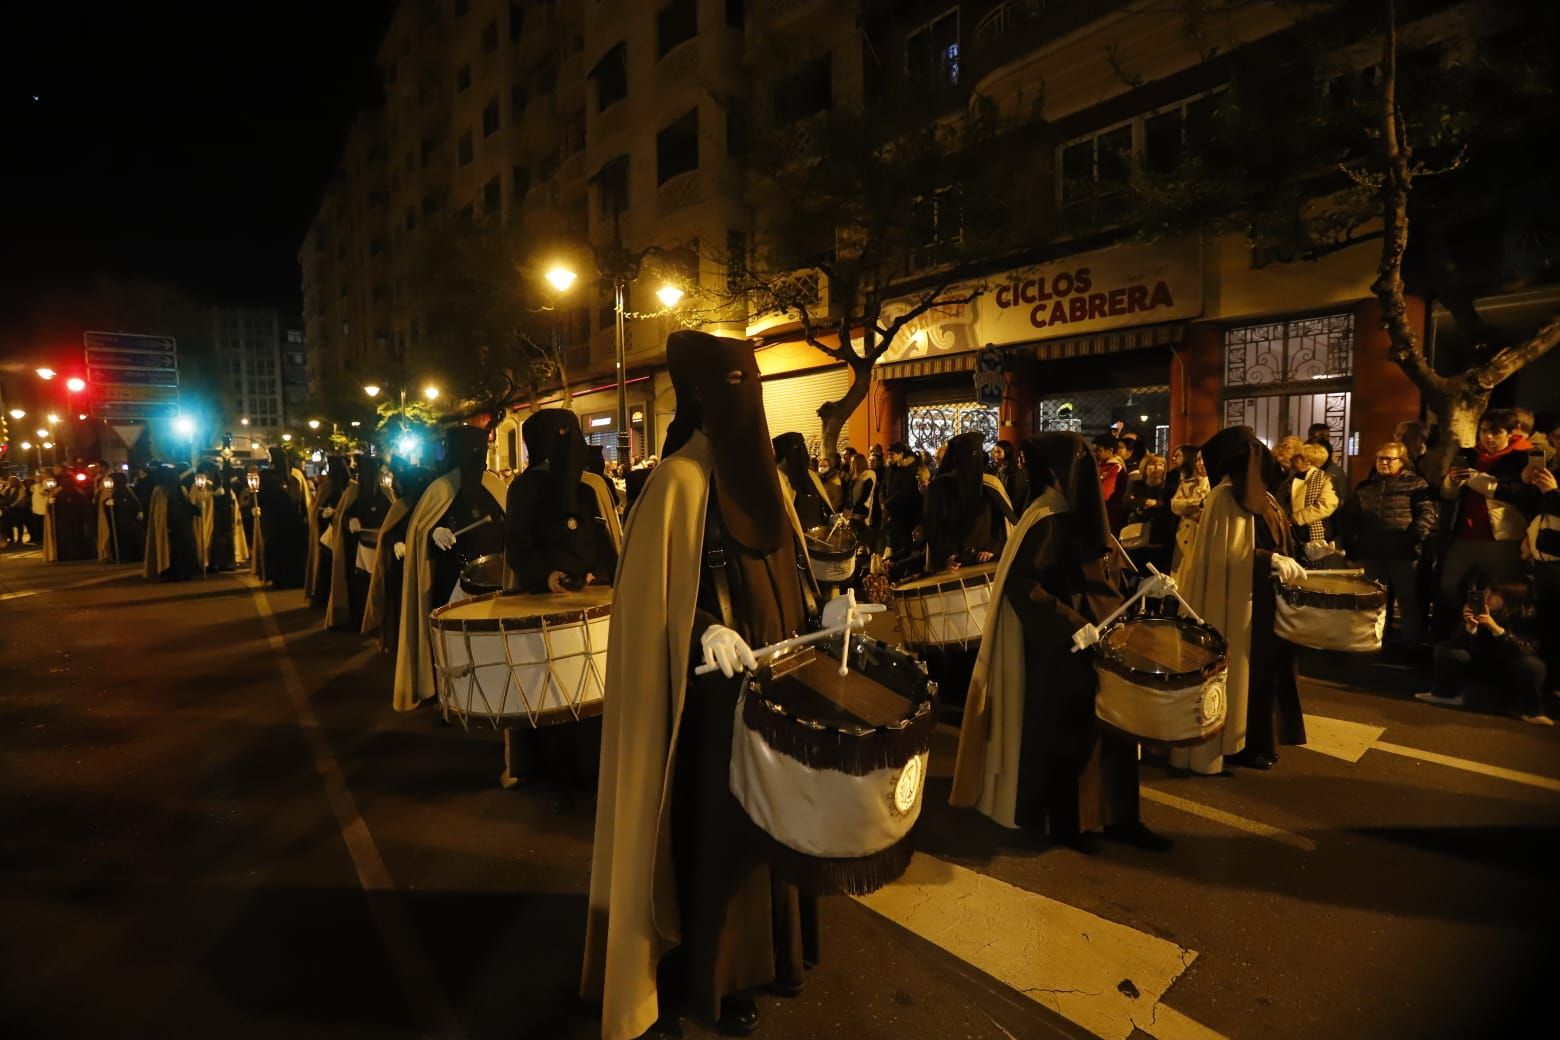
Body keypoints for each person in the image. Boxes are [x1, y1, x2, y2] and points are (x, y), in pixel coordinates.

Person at [586, 330, 864, 1040]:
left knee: (778, 830)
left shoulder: (765, 478)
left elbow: (789, 572)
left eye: (755, 386)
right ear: (703, 396)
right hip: (710, 702)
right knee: (721, 836)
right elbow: (651, 601)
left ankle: (778, 958)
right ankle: (716, 975)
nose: (749, 403)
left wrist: (825, 607)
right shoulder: (677, 481)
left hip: (778, 687)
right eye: (733, 387)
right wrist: (703, 627)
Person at [951, 431, 1166, 852]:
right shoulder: (1046, 517)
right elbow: (1022, 584)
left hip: (1108, 636)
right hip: (1068, 645)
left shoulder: (1082, 513)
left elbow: (1107, 570)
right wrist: (1070, 624)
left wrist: (1142, 585)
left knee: (1119, 730)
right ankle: (1075, 824)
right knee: (1074, 732)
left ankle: (1121, 816)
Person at [500, 409, 623, 798]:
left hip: (587, 605)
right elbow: (518, 544)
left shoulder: (589, 489)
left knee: (589, 689)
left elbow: (604, 540)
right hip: (540, 608)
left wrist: (595, 574)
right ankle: (553, 774)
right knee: (548, 691)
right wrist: (545, 576)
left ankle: (592, 769)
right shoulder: (524, 489)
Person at [1170, 426, 1307, 774]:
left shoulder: (1267, 498)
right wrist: (1268, 560)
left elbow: (1278, 538)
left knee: (1267, 675)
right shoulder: (1223, 498)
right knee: (1245, 674)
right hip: (1238, 604)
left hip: (1266, 602)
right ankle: (1235, 744)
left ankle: (1259, 741)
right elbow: (1223, 559)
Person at [392, 426, 505, 713]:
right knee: (453, 647)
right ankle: (452, 700)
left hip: (494, 580)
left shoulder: (495, 486)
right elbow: (419, 531)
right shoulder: (439, 489)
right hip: (450, 581)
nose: (476, 459)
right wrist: (433, 533)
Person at [1436, 409, 1537, 636]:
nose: (1488, 438)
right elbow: (1448, 495)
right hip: (1464, 534)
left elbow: (1515, 492)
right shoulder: (1469, 454)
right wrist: (1452, 481)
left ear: (1510, 434)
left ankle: (1500, 637)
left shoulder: (1521, 457)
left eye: (1495, 432)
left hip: (1502, 537)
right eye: (1483, 432)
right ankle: (1464, 633)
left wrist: (1472, 477)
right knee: (1450, 585)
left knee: (1503, 592)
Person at [1336, 441, 1437, 646]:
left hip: (1403, 551)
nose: (1384, 463)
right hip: (1373, 550)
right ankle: (1375, 640)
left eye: (1389, 459)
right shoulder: (1366, 486)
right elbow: (1352, 517)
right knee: (1374, 601)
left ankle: (1411, 645)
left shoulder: (1416, 483)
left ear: (1402, 461)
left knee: (1408, 601)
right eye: (1380, 458)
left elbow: (1426, 514)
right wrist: (1352, 544)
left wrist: (1413, 538)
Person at [1416, 578, 1551, 725]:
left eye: (1494, 594)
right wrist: (1470, 627)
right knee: (1445, 649)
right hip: (1481, 662)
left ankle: (1531, 711)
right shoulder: (1481, 611)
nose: (1487, 597)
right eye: (1486, 592)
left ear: (1510, 598)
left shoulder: (1524, 616)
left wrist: (1496, 629)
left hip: (1510, 668)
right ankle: (1444, 694)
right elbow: (1456, 644)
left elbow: (1526, 650)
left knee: (1532, 665)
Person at [362, 465, 432, 655]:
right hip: (400, 569)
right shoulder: (400, 507)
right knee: (399, 605)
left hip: (422, 567)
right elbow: (389, 532)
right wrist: (396, 543)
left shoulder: (429, 506)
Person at [326, 453, 392, 631]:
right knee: (359, 586)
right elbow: (340, 518)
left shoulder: (386, 492)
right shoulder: (352, 492)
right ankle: (359, 618)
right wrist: (349, 521)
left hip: (379, 547)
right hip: (357, 549)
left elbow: (395, 516)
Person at [254, 447, 310, 589]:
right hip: (278, 522)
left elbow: (302, 498)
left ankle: (292, 578)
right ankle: (279, 578)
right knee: (279, 551)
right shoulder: (266, 476)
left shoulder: (295, 475)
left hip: (289, 522)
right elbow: (261, 498)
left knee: (289, 552)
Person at [142, 466, 202, 582]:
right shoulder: (160, 491)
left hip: (182, 526)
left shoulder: (181, 489)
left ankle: (185, 572)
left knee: (183, 548)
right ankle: (173, 572)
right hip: (170, 527)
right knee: (173, 550)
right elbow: (160, 512)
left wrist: (198, 508)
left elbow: (187, 507)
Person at [306, 455, 351, 607]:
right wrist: (324, 513)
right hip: (329, 532)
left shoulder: (349, 486)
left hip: (340, 531)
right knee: (327, 566)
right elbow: (316, 510)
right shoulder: (329, 486)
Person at [1121, 453, 1176, 573]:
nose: (1157, 467)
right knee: (1136, 570)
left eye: (1161, 464)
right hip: (1136, 536)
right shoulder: (1136, 484)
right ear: (1144, 467)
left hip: (1160, 536)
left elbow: (1170, 507)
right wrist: (1143, 503)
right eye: (1153, 464)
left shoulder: (1170, 488)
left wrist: (1156, 504)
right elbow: (1126, 502)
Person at [1288, 441, 1340, 562]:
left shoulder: (1325, 478)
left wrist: (1297, 518)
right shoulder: (1291, 477)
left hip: (1314, 533)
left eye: (1298, 458)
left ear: (1308, 461)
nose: (1293, 460)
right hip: (1294, 533)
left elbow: (1326, 505)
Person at [773, 432, 833, 532]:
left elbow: (824, 506)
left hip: (818, 537)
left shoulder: (811, 476)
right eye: (796, 451)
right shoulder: (777, 480)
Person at [1306, 423, 1350, 508]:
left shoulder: (1335, 471)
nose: (1325, 439)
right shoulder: (1301, 466)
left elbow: (1342, 499)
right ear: (1311, 437)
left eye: (1327, 436)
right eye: (1321, 436)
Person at [1093, 435, 1127, 533]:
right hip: (1101, 513)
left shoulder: (1115, 468)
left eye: (1098, 450)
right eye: (1094, 450)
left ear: (1110, 451)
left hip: (1109, 515)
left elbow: (1105, 494)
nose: (1095, 453)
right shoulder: (1100, 466)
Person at [990, 439, 1030, 514]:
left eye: (998, 452)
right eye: (994, 452)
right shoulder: (994, 470)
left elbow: (1016, 494)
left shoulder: (1014, 471)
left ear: (1007, 452)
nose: (995, 455)